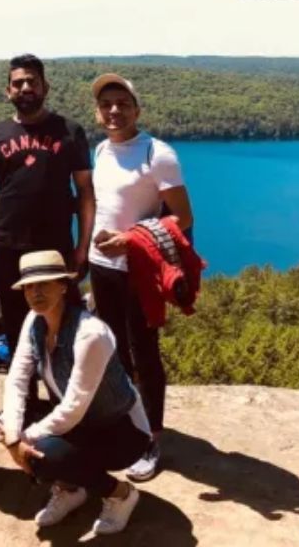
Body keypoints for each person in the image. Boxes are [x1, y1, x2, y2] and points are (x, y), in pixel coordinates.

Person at [86, 73, 194, 483]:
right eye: (106, 104)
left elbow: (183, 218)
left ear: (138, 109)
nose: (115, 111)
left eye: (123, 103)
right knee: (113, 351)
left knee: (144, 353)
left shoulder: (157, 153)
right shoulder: (101, 150)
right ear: (98, 113)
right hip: (102, 267)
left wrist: (130, 239)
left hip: (139, 271)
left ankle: (151, 438)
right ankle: (124, 426)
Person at [0, 250, 151, 535]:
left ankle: (120, 494)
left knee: (43, 455)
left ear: (63, 285)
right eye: (29, 286)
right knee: (20, 435)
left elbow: (73, 408)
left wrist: (22, 441)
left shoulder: (90, 334)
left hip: (122, 430)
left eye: (44, 283)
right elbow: (17, 380)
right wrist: (11, 433)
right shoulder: (35, 322)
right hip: (83, 424)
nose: (36, 292)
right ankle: (71, 489)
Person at [0, 53, 94, 362]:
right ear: (8, 91)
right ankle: (26, 399)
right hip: (7, 246)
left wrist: (82, 247)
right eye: (18, 83)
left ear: (46, 87)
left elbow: (85, 191)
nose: (26, 87)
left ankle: (66, 400)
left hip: (56, 246)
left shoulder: (69, 131)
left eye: (33, 81)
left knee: (67, 322)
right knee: (17, 324)